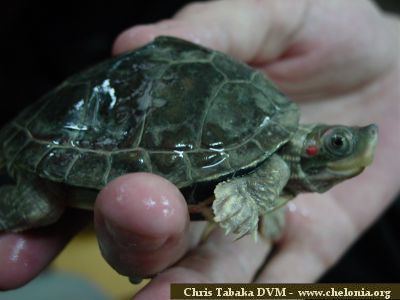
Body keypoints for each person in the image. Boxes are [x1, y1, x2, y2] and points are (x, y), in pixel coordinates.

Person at [0, 0, 399, 299]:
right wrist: (249, 195)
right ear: (310, 146)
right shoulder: (274, 165)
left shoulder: (272, 121)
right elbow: (270, 170)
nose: (349, 150)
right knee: (40, 207)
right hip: (71, 106)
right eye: (337, 143)